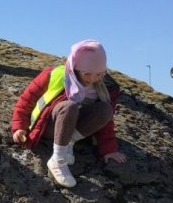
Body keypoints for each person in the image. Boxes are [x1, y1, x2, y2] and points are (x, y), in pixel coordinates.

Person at [10, 40, 126, 187]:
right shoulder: (55, 75)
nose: (92, 79)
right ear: (76, 68)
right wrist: (20, 127)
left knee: (105, 110)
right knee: (69, 107)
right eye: (87, 74)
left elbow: (106, 121)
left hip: (73, 130)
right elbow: (26, 101)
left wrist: (109, 150)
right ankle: (58, 160)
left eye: (99, 74)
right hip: (48, 125)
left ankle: (69, 142)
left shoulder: (104, 87)